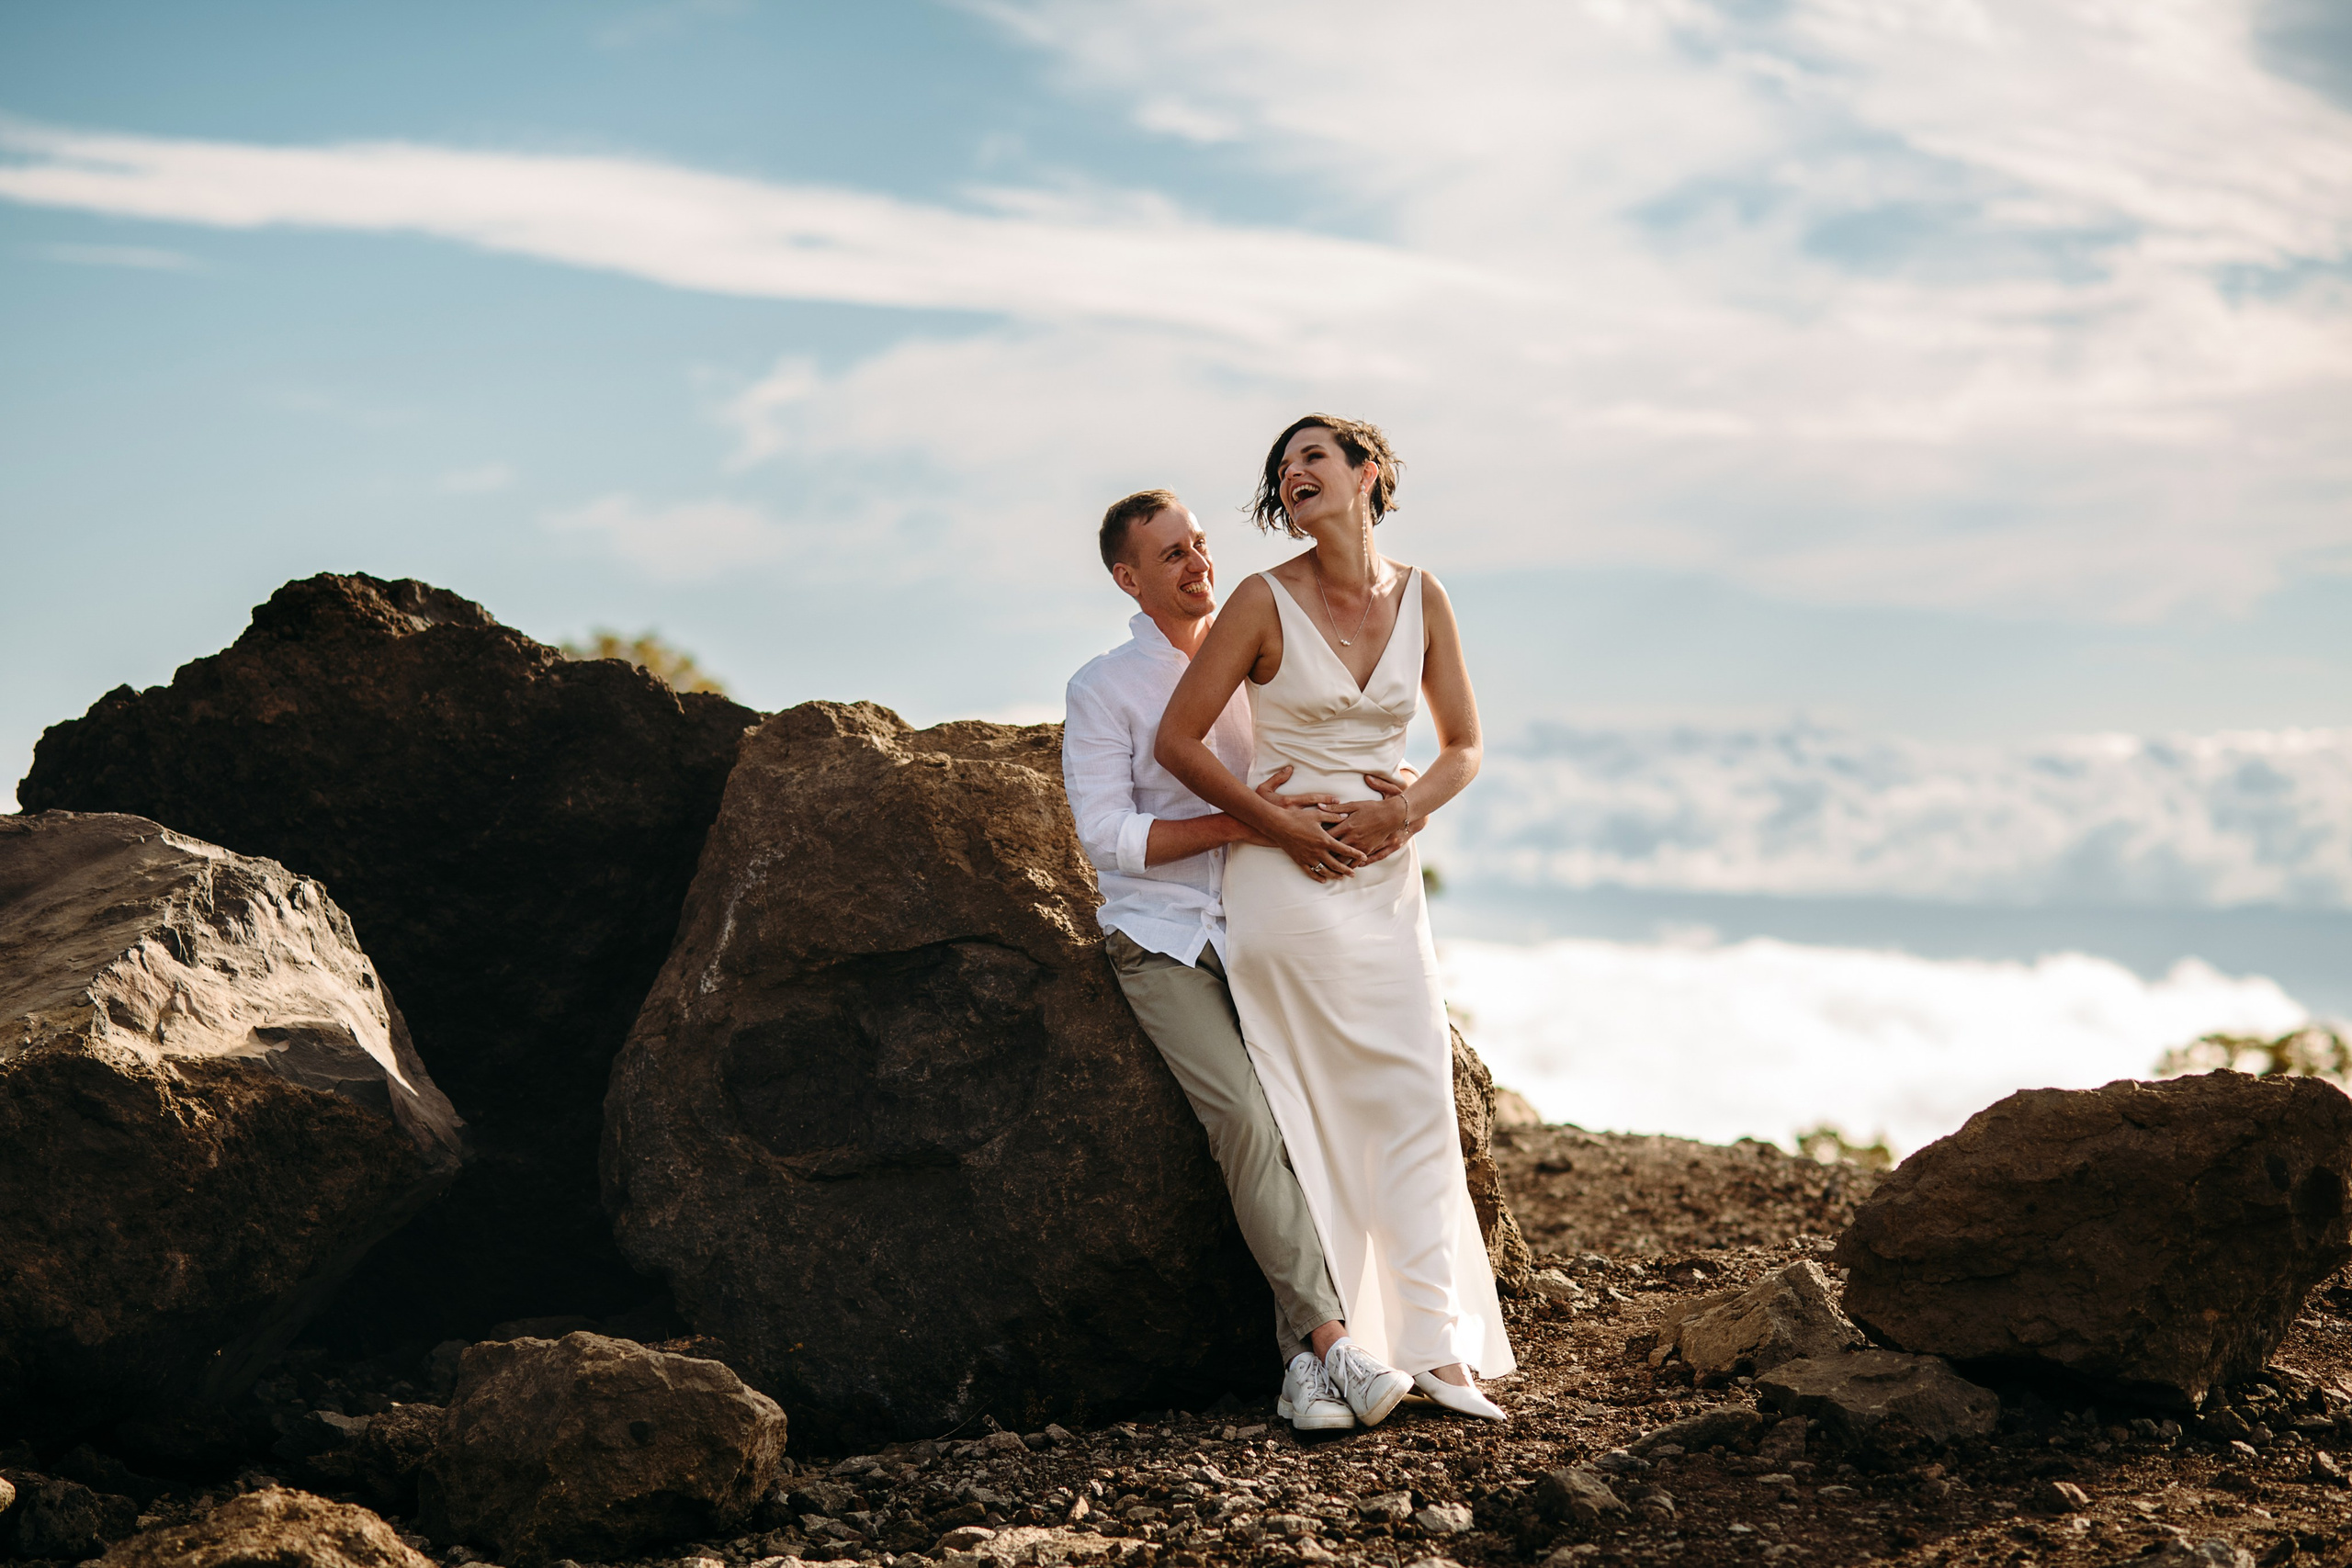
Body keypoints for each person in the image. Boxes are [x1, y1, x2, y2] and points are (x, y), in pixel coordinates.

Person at [1154, 416, 1514, 1424]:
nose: (1293, 472)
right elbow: (1181, 742)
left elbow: (1464, 746)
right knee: (1308, 1102)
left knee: (1412, 1095)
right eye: (1283, 466)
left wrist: (1404, 809)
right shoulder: (1263, 601)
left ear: (1368, 474)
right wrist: (1275, 827)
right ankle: (1339, 1346)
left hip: (1387, 882)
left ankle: (1438, 1350)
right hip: (1281, 877)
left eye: (1313, 455)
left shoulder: (1424, 595)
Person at [1061, 488, 1424, 1432]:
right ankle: (1336, 1344)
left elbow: (1330, 747)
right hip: (1162, 940)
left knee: (1319, 1118)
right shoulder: (1101, 688)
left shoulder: (1263, 652)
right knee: (1245, 1123)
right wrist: (1245, 824)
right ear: (1127, 578)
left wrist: (1397, 793)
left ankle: (1301, 1373)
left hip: (1275, 924)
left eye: (1199, 544)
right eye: (1170, 555)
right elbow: (1103, 837)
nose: (1197, 564)